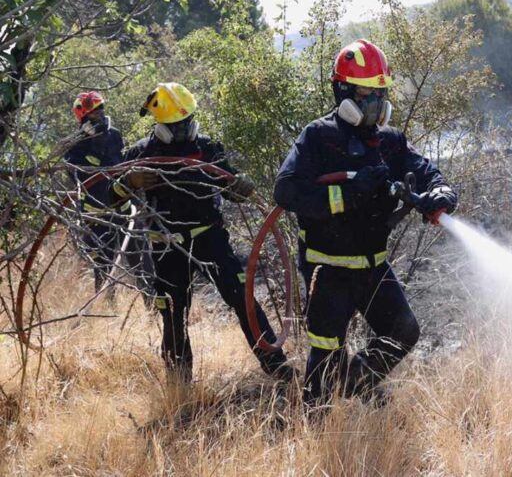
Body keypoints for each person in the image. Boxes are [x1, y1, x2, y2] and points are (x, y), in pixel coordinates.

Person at [274, 39, 458, 407]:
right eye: (365, 93)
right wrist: (347, 194)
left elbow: (420, 169)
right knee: (324, 360)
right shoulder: (318, 137)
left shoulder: (389, 141)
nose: (374, 102)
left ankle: (357, 380)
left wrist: (440, 190)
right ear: (342, 90)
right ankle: (318, 438)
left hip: (374, 268)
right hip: (327, 270)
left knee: (403, 331)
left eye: (380, 93)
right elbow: (286, 192)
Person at [112, 82, 293, 384]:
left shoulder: (207, 148)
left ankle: (280, 371)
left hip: (210, 240)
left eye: (187, 122)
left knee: (244, 301)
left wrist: (239, 187)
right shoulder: (141, 154)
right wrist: (129, 183)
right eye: (176, 125)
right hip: (167, 247)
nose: (183, 129)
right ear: (160, 124)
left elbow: (230, 185)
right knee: (174, 318)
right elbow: (110, 198)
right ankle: (180, 391)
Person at [65, 91, 129, 293]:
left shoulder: (115, 135)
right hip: (95, 212)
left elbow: (122, 164)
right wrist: (92, 148)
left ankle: (151, 305)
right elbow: (75, 174)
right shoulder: (75, 143)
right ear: (83, 117)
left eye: (101, 109)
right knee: (103, 261)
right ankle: (106, 302)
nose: (100, 115)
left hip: (122, 205)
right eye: (94, 113)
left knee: (140, 255)